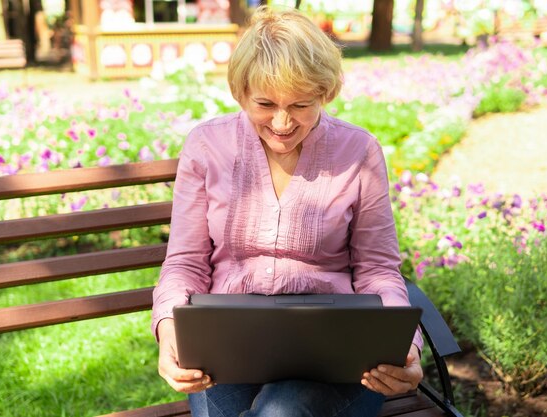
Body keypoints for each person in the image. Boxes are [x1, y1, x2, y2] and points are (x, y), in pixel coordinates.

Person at [152, 6, 423, 417]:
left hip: (337, 366)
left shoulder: (359, 152)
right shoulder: (208, 147)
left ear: (325, 93)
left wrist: (407, 345)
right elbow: (185, 263)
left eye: (300, 105)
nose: (281, 122)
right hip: (226, 358)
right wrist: (169, 329)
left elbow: (378, 269)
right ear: (240, 92)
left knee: (282, 412)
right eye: (265, 103)